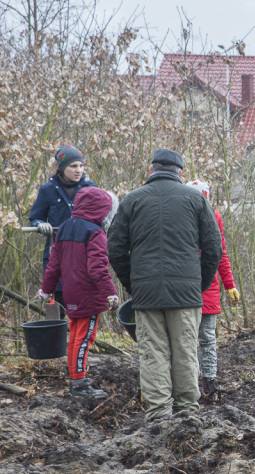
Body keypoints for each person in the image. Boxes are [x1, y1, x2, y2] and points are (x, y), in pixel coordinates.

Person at [107, 149, 222, 423]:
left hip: (147, 292)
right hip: (187, 293)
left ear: (151, 169)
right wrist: (200, 284)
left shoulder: (132, 200)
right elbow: (214, 248)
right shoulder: (196, 199)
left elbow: (114, 249)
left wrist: (134, 285)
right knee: (184, 349)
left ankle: (159, 413)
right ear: (179, 172)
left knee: (153, 352)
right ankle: (187, 412)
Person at [37, 187, 120, 399]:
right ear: (101, 210)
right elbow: (98, 269)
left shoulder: (64, 228)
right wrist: (110, 293)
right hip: (89, 295)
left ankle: (76, 377)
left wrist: (46, 289)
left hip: (71, 294)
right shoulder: (95, 232)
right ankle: (79, 384)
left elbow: (53, 265)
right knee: (84, 338)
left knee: (75, 337)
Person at [28, 145, 98, 315]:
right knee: (57, 302)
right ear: (61, 168)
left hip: (83, 253)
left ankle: (78, 339)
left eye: (81, 166)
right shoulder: (47, 190)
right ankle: (56, 338)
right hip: (56, 252)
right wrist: (39, 224)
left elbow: (100, 218)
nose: (79, 170)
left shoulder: (91, 189)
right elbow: (36, 216)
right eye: (73, 166)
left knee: (82, 301)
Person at [187, 180, 240, 398]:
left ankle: (208, 382)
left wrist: (230, 285)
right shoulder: (179, 218)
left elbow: (220, 253)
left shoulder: (214, 217)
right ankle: (189, 384)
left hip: (206, 290)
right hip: (184, 289)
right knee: (186, 339)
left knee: (207, 337)